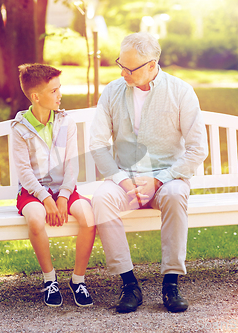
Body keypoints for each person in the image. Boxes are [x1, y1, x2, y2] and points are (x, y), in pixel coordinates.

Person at [89, 33, 208, 313]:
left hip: (167, 178)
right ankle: (129, 284)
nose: (122, 72)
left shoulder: (180, 91)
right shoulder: (112, 91)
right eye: (121, 64)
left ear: (152, 65)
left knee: (177, 195)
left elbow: (197, 149)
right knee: (101, 199)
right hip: (124, 178)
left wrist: (158, 179)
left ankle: (171, 283)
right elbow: (97, 143)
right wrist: (121, 179)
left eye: (130, 69)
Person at [11, 63, 96, 307]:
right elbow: (25, 172)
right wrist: (46, 199)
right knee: (36, 219)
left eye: (60, 89)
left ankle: (78, 280)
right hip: (33, 193)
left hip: (64, 190)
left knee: (88, 218)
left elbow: (71, 165)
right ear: (36, 97)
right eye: (54, 91)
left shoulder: (65, 122)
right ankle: (50, 280)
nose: (60, 95)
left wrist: (62, 197)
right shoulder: (20, 129)